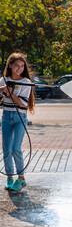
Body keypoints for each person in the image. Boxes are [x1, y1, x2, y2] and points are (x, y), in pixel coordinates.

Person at [0, 53, 35, 192]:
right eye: (17, 66)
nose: (19, 68)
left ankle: (21, 179)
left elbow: (22, 104)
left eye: (22, 66)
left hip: (19, 118)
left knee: (16, 149)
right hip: (6, 118)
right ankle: (9, 177)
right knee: (6, 150)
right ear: (10, 65)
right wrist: (3, 90)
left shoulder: (25, 82)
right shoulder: (3, 80)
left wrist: (10, 93)